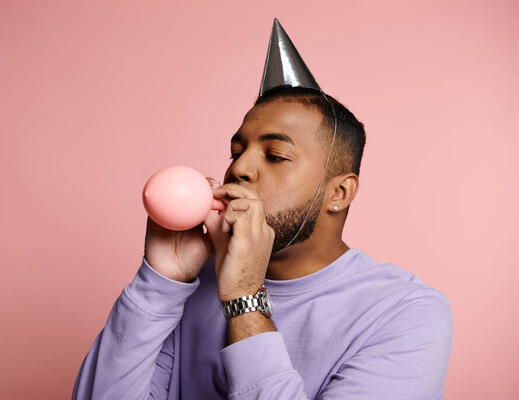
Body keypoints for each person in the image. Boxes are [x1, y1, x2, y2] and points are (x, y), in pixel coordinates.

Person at [72, 19, 453, 400]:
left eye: (275, 155)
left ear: (339, 192)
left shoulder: (406, 313)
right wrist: (159, 282)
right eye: (237, 152)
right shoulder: (192, 286)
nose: (239, 168)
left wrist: (244, 298)